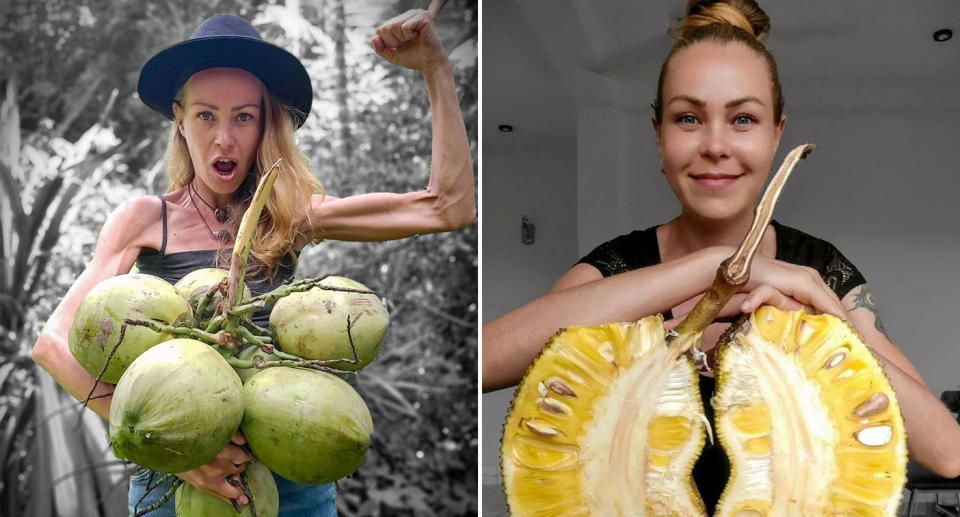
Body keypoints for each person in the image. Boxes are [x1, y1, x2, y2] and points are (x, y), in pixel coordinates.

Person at [482, 0, 960, 511]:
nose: (715, 144)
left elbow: (948, 452)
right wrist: (716, 267)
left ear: (776, 135)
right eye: (687, 117)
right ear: (659, 136)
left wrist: (831, 330)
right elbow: (486, 361)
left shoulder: (819, 272)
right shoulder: (618, 267)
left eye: (743, 119)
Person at [32, 9, 474, 517]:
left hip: (290, 480)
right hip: (175, 483)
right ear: (179, 118)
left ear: (265, 123)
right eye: (205, 115)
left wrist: (436, 68)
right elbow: (54, 343)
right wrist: (182, 455)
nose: (224, 138)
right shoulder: (145, 219)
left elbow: (449, 206)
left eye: (243, 116)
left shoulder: (287, 215)